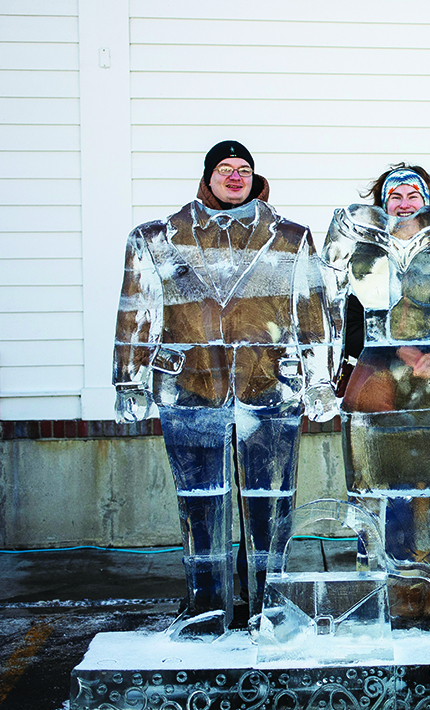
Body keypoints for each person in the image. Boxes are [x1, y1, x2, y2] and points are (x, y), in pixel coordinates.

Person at [113, 140, 339, 638]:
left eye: (243, 169)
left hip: (270, 385)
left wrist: (320, 379)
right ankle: (205, 607)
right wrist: (128, 379)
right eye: (224, 169)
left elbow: (314, 311)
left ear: (254, 179)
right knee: (200, 503)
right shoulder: (156, 238)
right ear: (207, 177)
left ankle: (270, 605)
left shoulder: (291, 238)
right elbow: (137, 310)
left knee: (271, 501)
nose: (235, 177)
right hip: (189, 387)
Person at [323, 164, 430, 623]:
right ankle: (387, 598)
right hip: (377, 383)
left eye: (412, 195)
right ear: (381, 204)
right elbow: (329, 313)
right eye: (393, 196)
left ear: (426, 200)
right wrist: (332, 376)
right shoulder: (360, 248)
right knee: (382, 492)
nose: (404, 203)